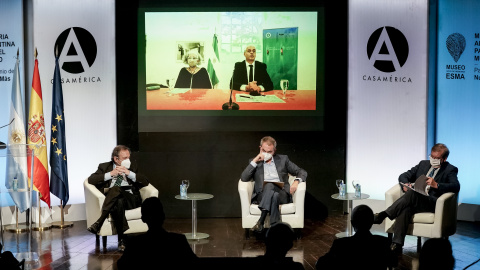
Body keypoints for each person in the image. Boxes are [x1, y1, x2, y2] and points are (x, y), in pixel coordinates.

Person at [374, 143, 460, 254]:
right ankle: (397, 245)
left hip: (433, 203)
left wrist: (436, 185)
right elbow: (403, 175)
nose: (433, 160)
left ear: (444, 159)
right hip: (416, 200)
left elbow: (455, 186)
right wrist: (406, 185)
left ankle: (383, 215)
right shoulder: (423, 164)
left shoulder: (450, 169)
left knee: (411, 195)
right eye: (432, 156)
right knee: (405, 208)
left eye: (437, 158)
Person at [87, 145, 149, 251]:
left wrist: (129, 173)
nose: (128, 160)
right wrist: (111, 174)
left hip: (130, 199)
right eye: (125, 158)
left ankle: (99, 222)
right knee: (118, 200)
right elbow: (91, 180)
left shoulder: (132, 166)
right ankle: (122, 240)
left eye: (129, 157)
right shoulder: (104, 167)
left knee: (115, 190)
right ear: (116, 159)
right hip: (114, 200)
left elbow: (145, 180)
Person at [240, 136, 307, 233]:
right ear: (260, 148)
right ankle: (275, 229)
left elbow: (302, 171)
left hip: (282, 193)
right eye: (264, 150)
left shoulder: (283, 159)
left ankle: (261, 221)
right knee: (273, 194)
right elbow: (244, 178)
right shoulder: (254, 161)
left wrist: (296, 181)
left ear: (274, 150)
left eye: (269, 151)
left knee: (271, 186)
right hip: (262, 195)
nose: (266, 153)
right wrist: (255, 161)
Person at [117, 197, 197, 269]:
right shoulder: (179, 241)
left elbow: (121, 264)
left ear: (143, 219)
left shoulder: (134, 244)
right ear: (163, 216)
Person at [315, 205, 396, 270]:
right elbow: (393, 262)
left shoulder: (341, 244)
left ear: (352, 223)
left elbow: (320, 264)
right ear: (372, 223)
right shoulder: (383, 242)